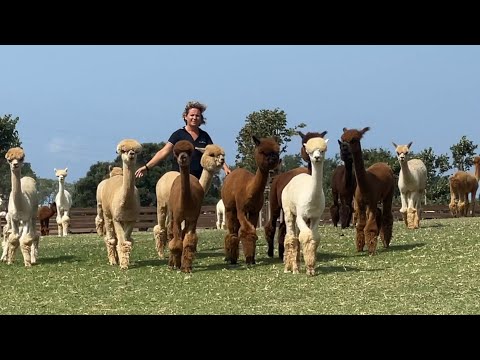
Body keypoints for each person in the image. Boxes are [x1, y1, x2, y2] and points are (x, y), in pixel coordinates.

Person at [135, 100, 231, 179]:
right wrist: (147, 167)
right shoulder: (178, 134)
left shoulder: (204, 136)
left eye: (197, 116)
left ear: (201, 119)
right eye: (192, 115)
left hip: (198, 179)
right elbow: (163, 152)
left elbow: (215, 154)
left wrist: (225, 168)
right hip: (178, 177)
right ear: (185, 116)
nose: (194, 118)